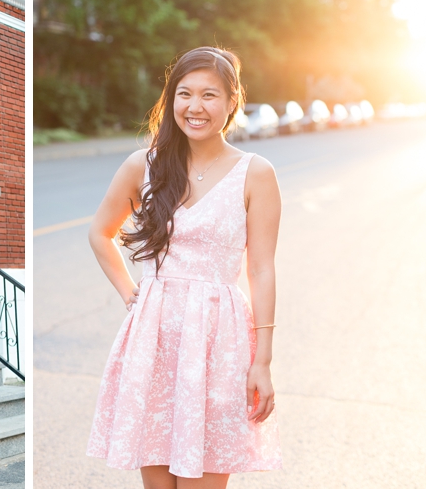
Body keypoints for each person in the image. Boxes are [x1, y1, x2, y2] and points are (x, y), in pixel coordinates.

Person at [86, 47, 282, 489]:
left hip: (221, 342)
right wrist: (130, 293)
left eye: (210, 95)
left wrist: (263, 361)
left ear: (233, 101)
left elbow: (263, 270)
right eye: (184, 93)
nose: (195, 107)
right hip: (153, 339)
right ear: (171, 98)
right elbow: (101, 232)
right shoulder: (145, 165)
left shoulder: (256, 173)